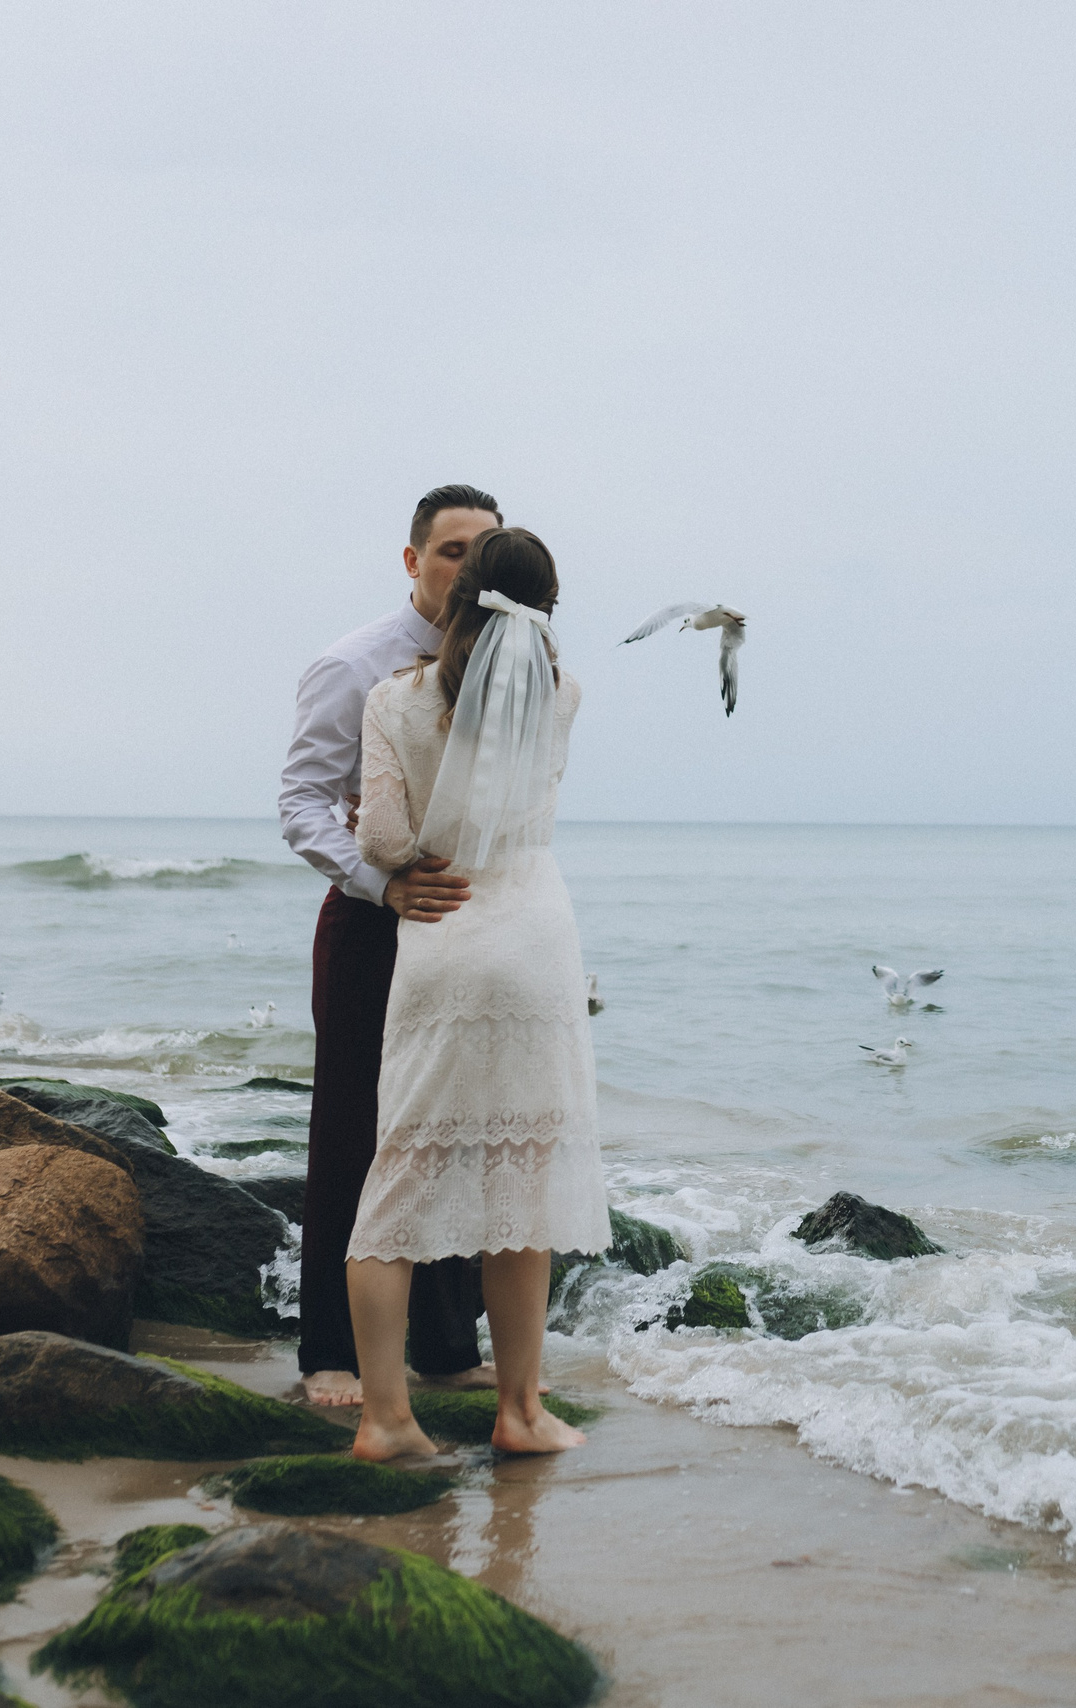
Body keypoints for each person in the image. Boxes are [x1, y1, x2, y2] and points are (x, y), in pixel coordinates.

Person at [345, 524, 613, 1458]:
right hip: (534, 937)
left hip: (441, 935)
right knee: (524, 1183)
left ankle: (385, 1418)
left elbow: (380, 840)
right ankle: (521, 1413)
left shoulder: (393, 699)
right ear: (546, 609)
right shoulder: (564, 695)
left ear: (457, 597)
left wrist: (407, 858)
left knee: (400, 1174)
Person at [277, 484, 501, 1405]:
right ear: (413, 561)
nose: (467, 568)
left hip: (466, 921)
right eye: (452, 551)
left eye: (484, 552)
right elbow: (301, 805)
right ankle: (329, 1349)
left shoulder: (504, 663)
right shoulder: (353, 664)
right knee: (355, 1130)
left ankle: (445, 1347)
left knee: (452, 1130)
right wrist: (385, 882)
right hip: (372, 924)